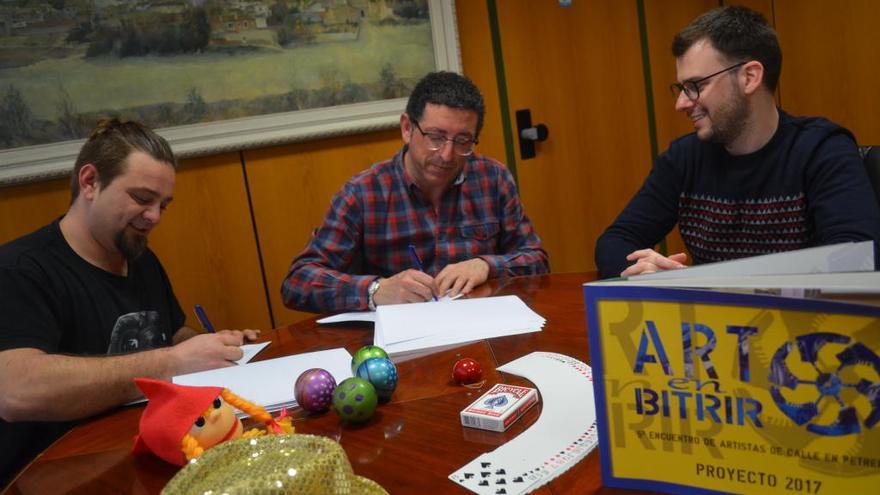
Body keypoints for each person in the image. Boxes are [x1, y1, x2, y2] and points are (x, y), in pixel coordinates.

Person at [0, 119, 259, 487]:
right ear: (90, 182)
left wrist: (212, 347)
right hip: (58, 478)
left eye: (163, 205)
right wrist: (170, 362)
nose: (154, 216)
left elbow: (170, 334)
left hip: (157, 456)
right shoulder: (19, 270)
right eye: (141, 198)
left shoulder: (139, 257)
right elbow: (17, 391)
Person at [595, 6, 880, 279]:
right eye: (681, 89)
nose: (681, 103)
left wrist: (706, 281)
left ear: (749, 77)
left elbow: (858, 256)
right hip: (710, 325)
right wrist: (647, 274)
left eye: (696, 86)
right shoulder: (682, 159)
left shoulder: (821, 149)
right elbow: (615, 241)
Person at [282, 71, 549, 313]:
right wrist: (376, 290)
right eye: (435, 137)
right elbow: (298, 282)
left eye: (462, 141)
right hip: (398, 347)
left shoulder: (493, 178)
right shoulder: (364, 193)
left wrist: (486, 265)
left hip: (479, 327)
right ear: (407, 129)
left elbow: (537, 260)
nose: (446, 154)